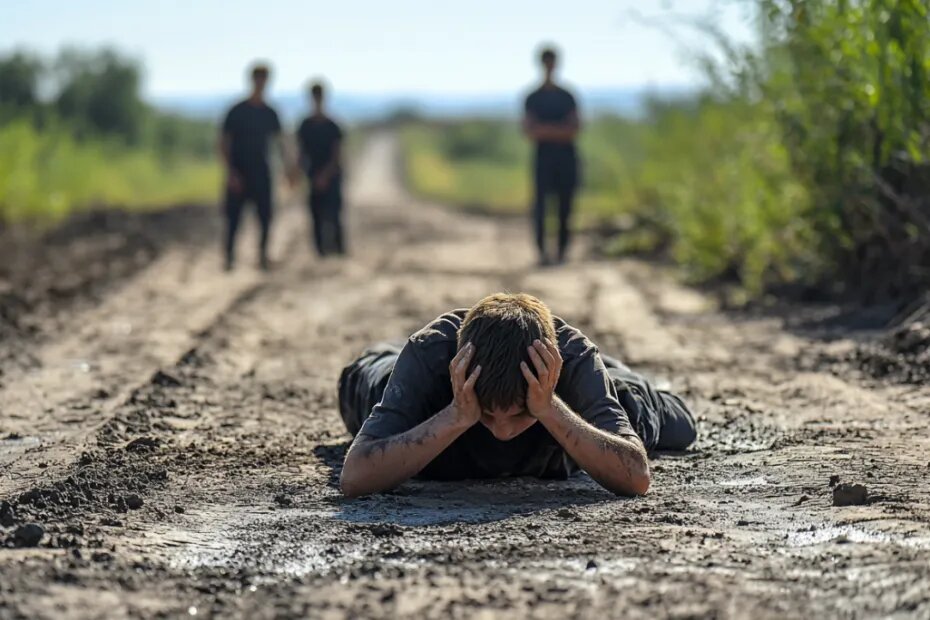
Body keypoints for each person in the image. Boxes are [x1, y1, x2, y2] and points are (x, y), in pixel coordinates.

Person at [337, 293, 697, 498]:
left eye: (519, 414)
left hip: (572, 390)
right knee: (363, 378)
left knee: (672, 424)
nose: (503, 431)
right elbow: (354, 477)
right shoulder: (428, 357)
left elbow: (636, 477)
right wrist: (457, 416)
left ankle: (611, 371)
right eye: (488, 414)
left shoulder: (573, 359)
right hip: (419, 373)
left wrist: (549, 408)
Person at [219, 63, 290, 271]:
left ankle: (262, 257)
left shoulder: (270, 113)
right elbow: (223, 143)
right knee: (233, 219)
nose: (261, 83)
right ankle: (229, 259)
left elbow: (281, 143)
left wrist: (288, 169)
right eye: (258, 79)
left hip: (262, 172)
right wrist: (231, 172)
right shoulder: (236, 111)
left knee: (265, 218)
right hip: (239, 172)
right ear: (252, 80)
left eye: (264, 79)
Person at [523, 46, 580, 266]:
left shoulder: (567, 96)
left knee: (565, 206)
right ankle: (542, 252)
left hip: (565, 158)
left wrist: (545, 130)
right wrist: (559, 131)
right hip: (543, 158)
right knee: (541, 207)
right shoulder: (533, 97)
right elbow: (529, 130)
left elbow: (573, 129)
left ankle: (562, 252)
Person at [297, 81, 346, 257]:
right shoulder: (305, 125)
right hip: (312, 176)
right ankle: (320, 252)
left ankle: (338, 250)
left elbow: (337, 155)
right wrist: (297, 173)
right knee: (316, 216)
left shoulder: (333, 126)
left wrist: (325, 176)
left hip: (331, 177)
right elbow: (301, 153)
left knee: (334, 215)